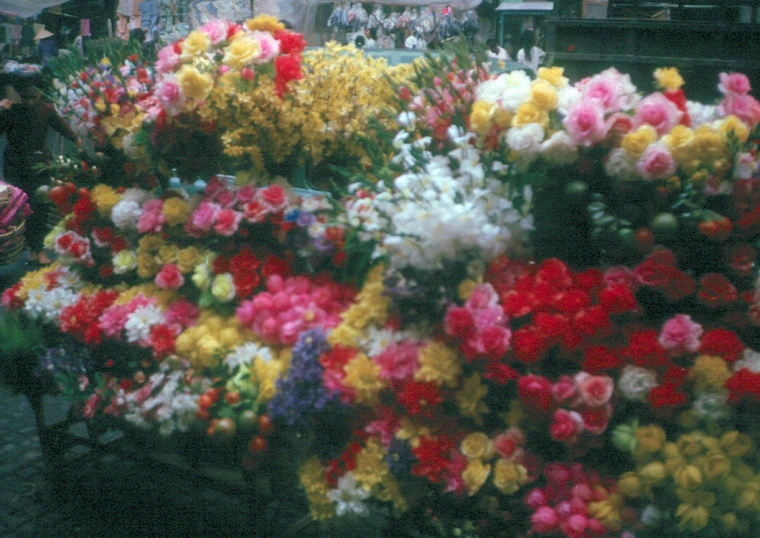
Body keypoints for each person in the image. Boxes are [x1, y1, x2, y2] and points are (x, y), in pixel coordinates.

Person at [0, 84, 82, 263]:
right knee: (21, 207)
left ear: (39, 95)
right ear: (18, 96)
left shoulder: (46, 109)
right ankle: (31, 248)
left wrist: (76, 139)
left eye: (33, 98)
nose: (29, 102)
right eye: (25, 98)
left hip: (40, 165)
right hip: (15, 166)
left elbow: (62, 126)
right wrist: (1, 111)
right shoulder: (11, 110)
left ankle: (39, 248)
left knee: (41, 206)